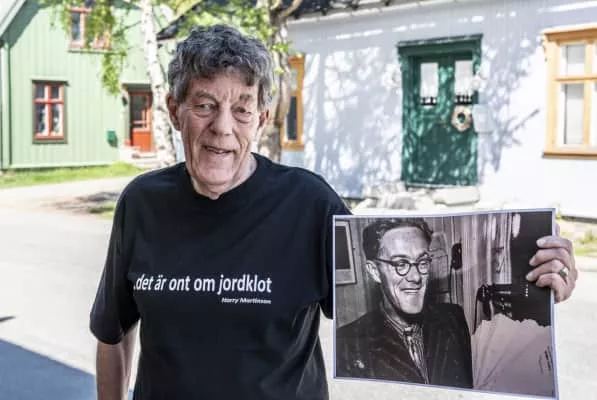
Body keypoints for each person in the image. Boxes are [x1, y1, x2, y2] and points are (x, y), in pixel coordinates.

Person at [89, 24, 578, 400]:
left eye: (242, 108)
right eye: (204, 105)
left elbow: (411, 293)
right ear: (175, 110)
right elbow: (113, 331)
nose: (223, 127)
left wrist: (540, 278)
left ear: (261, 120)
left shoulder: (307, 203)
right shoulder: (142, 203)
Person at [334, 217, 577, 390]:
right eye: (400, 264)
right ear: (374, 271)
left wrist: (544, 289)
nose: (416, 276)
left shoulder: (452, 317)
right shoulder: (346, 344)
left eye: (422, 262)